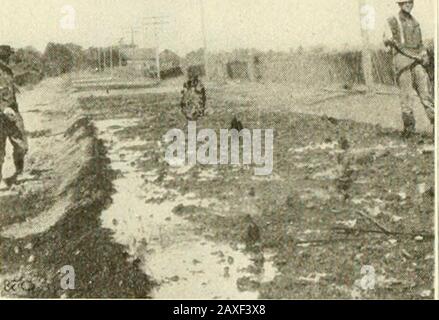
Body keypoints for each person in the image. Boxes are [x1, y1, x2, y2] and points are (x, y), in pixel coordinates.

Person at [384, 0, 435, 138]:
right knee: (406, 98)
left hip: (417, 62)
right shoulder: (392, 20)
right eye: (405, 2)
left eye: (410, 2)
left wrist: (424, 55)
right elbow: (389, 42)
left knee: (426, 95)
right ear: (400, 4)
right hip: (402, 63)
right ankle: (409, 130)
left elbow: (420, 43)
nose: (408, 4)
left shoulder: (415, 22)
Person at [0, 45, 28, 187]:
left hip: (13, 113)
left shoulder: (8, 71)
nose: (10, 58)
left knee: (22, 145)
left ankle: (18, 172)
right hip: (1, 115)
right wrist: (3, 108)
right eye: (7, 56)